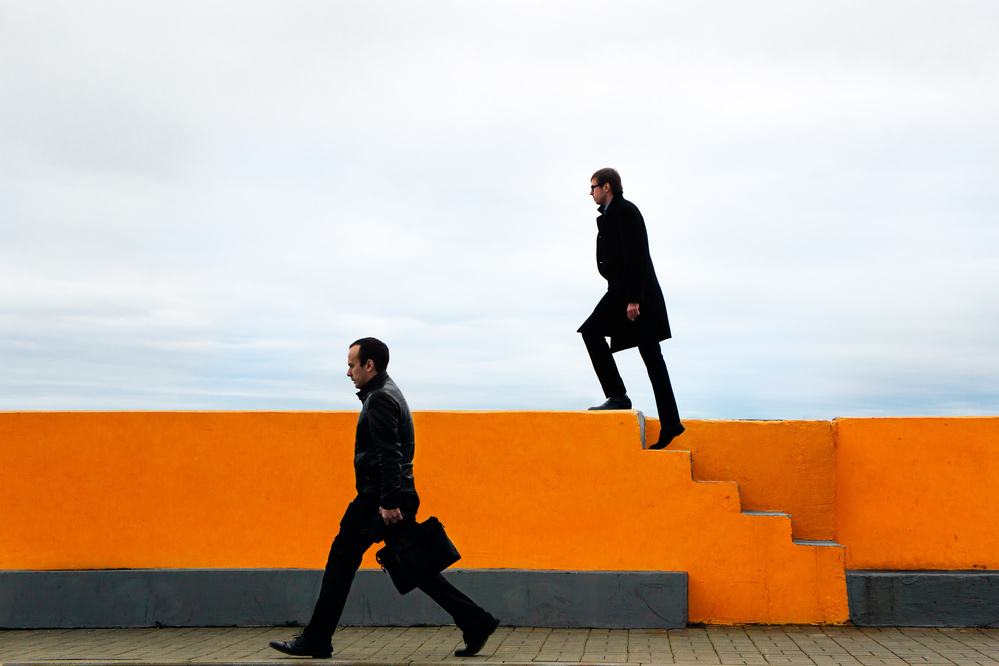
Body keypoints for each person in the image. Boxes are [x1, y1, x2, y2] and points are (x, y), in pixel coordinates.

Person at [269, 337, 499, 659]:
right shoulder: (387, 392)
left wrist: (389, 502)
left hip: (379, 497)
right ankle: (475, 621)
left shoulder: (379, 398)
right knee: (414, 564)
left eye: (352, 365)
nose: (348, 372)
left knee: (341, 560)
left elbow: (390, 454)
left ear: (369, 365)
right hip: (391, 494)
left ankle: (317, 639)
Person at [578, 168, 685, 449]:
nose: (590, 192)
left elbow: (637, 257)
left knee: (595, 333)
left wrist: (635, 299)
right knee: (651, 355)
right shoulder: (612, 214)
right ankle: (670, 423)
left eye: (593, 187)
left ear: (607, 186)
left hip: (633, 294)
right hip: (624, 291)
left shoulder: (625, 211)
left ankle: (619, 397)